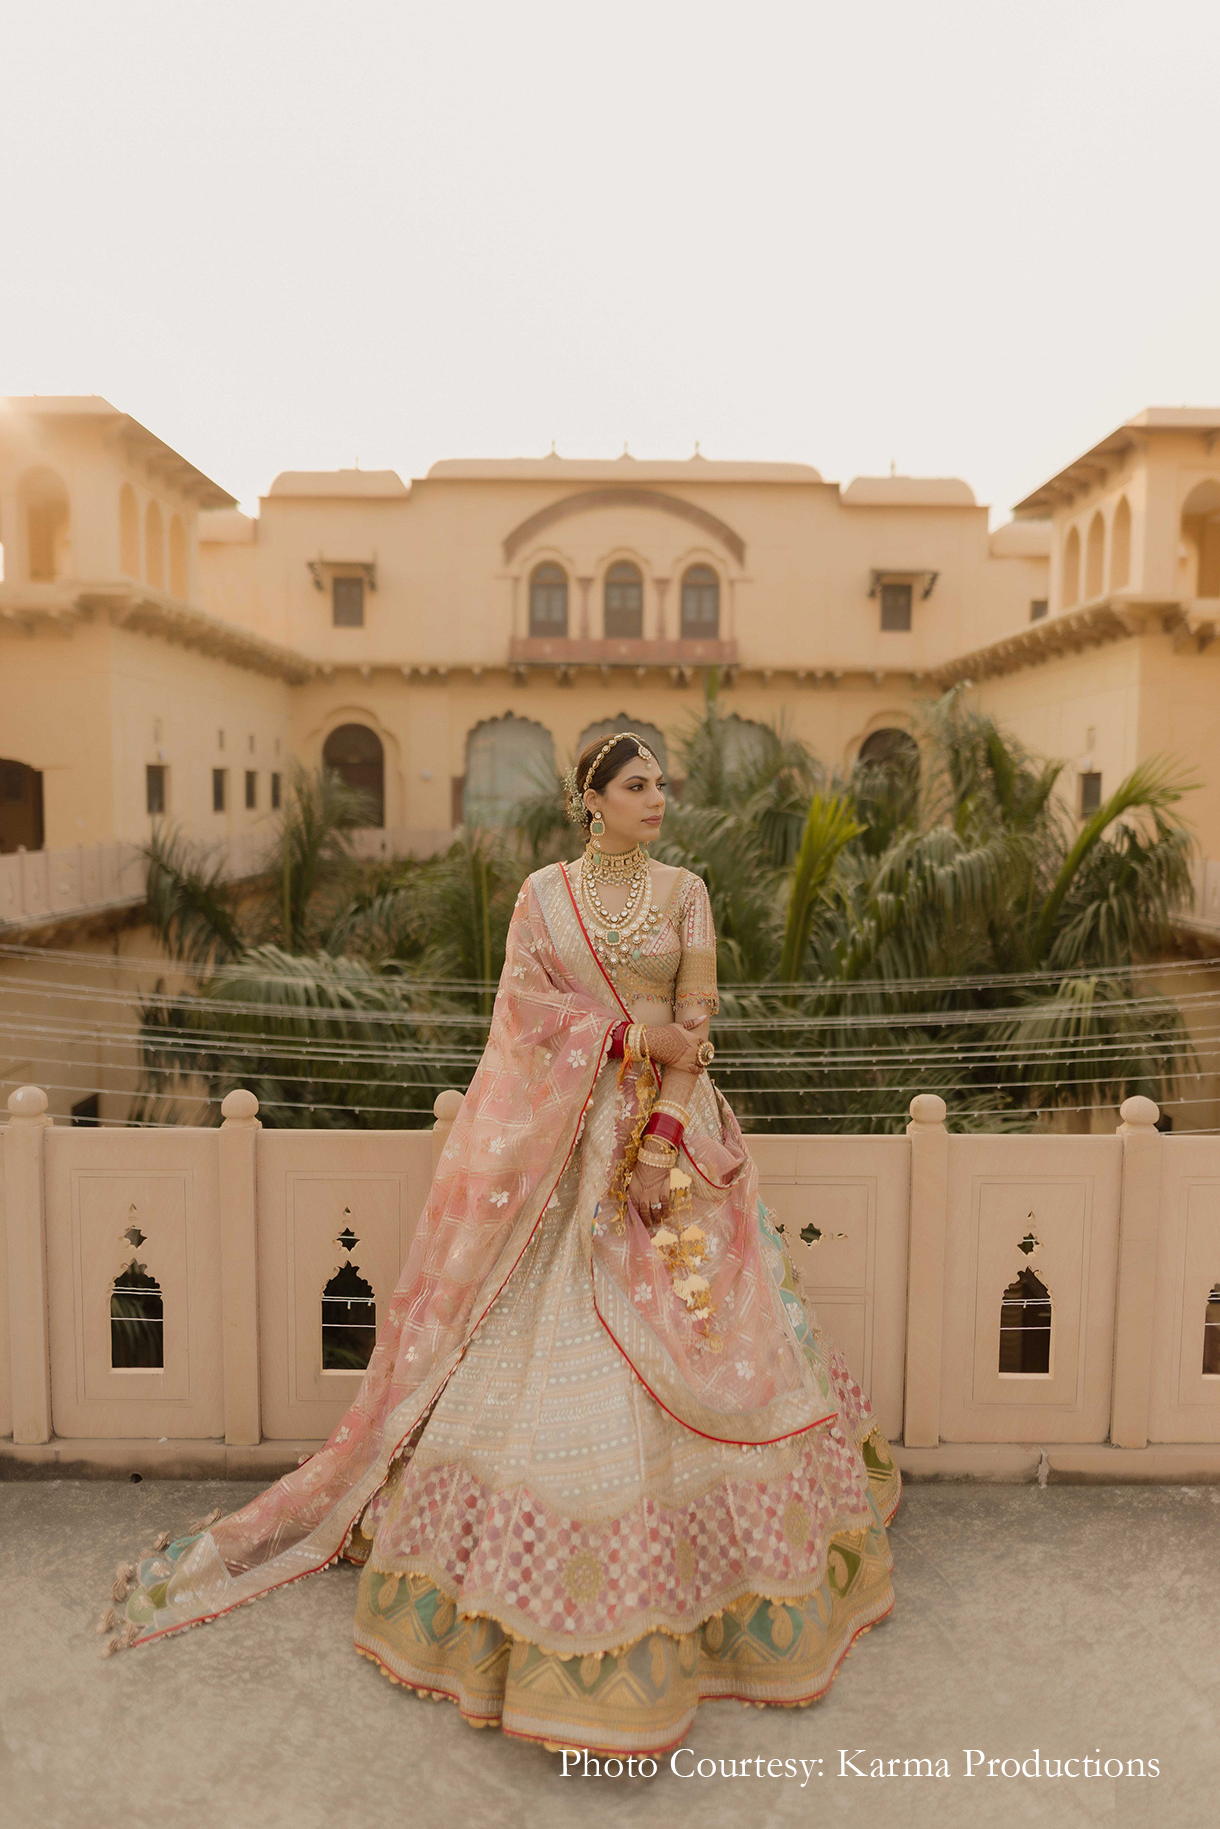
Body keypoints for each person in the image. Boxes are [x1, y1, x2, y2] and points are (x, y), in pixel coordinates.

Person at [105, 732, 900, 1756]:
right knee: (533, 1353)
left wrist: (659, 1143)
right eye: (636, 784)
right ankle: (512, 1611)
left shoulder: (686, 891)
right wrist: (621, 1038)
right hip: (557, 1158)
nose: (657, 798)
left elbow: (696, 1028)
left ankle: (715, 1599)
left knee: (708, 1348)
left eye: (661, 783)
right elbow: (523, 1021)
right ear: (590, 797)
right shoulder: (540, 896)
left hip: (667, 1141)